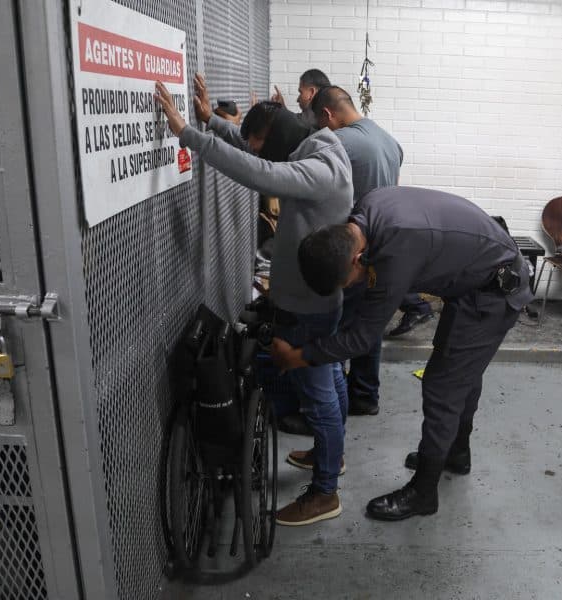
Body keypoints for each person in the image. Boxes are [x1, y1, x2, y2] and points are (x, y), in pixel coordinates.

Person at [155, 74, 353, 527]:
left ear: (279, 136)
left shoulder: (320, 168)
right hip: (310, 300)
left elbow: (262, 170)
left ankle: (326, 491)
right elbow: (261, 155)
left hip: (308, 308)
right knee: (329, 385)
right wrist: (214, 124)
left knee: (319, 393)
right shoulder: (310, 144)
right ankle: (332, 456)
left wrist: (189, 134)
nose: (260, 149)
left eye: (262, 141)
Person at [271, 186, 533, 521]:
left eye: (347, 282)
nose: (351, 286)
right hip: (477, 276)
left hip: (493, 293)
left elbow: (363, 339)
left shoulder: (394, 254)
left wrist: (298, 356)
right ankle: (457, 452)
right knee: (462, 372)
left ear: (355, 259)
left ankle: (424, 493)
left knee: (443, 386)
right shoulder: (365, 214)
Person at [291, 85, 403, 420]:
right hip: (382, 250)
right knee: (369, 325)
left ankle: (328, 408)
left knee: (338, 328)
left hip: (351, 252)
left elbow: (293, 166)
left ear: (327, 115)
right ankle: (365, 395)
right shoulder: (389, 141)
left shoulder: (339, 142)